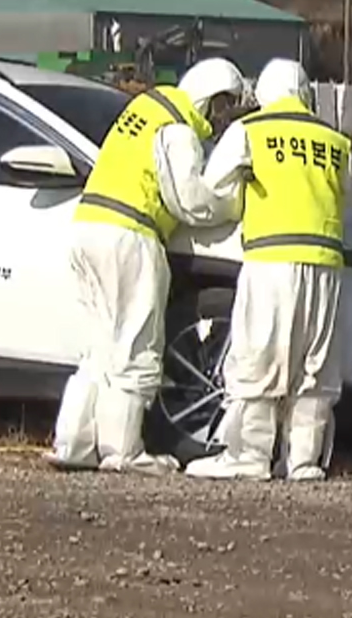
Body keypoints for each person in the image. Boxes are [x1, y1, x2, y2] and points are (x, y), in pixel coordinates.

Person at [45, 58, 248, 475]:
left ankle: (75, 443)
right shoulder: (177, 128)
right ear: (208, 98)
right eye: (221, 106)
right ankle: (123, 451)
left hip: (88, 227)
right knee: (137, 344)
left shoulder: (143, 110)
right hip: (130, 233)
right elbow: (188, 200)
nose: (219, 117)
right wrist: (230, 204)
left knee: (100, 348)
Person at [186, 59, 352, 482]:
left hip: (270, 262)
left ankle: (249, 455)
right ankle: (303, 461)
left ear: (263, 93)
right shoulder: (334, 140)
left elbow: (214, 187)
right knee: (315, 368)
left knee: (259, 358)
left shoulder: (250, 132)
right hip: (324, 267)